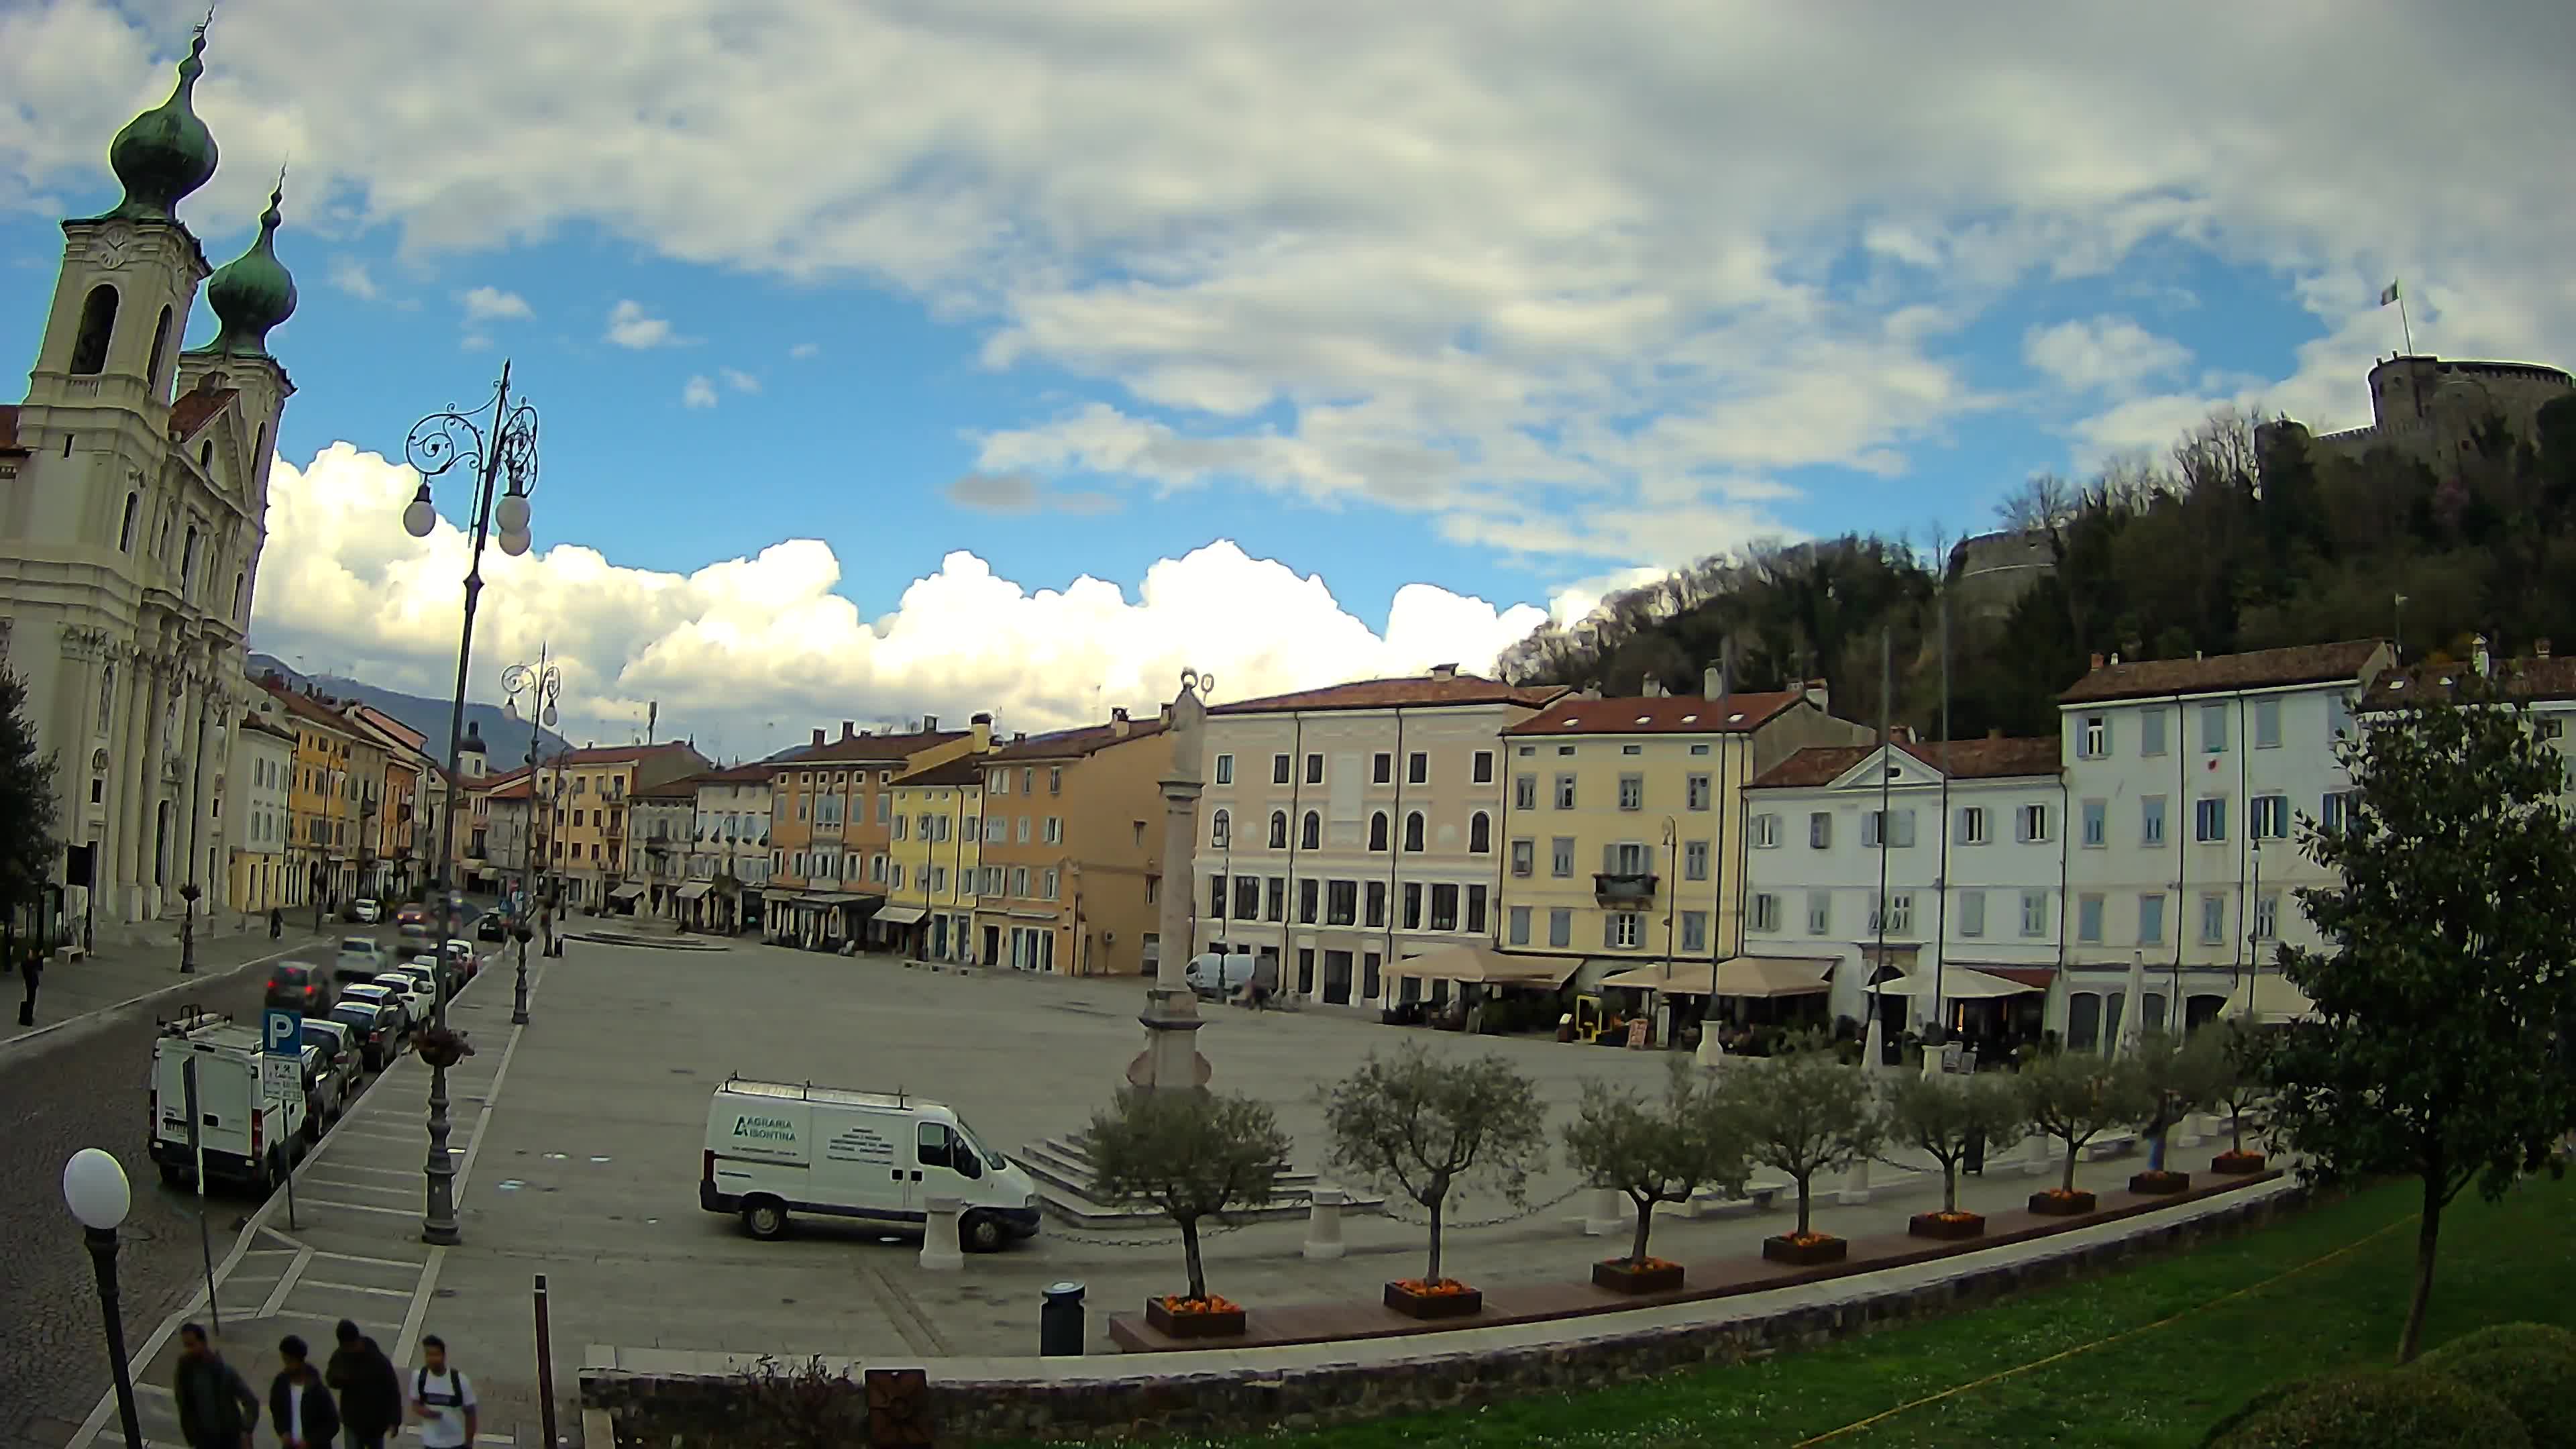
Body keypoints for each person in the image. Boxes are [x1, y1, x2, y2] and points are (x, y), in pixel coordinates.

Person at [172, 1323, 258, 1449]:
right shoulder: (184, 1373)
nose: (188, 1350)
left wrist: (245, 1431)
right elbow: (183, 1405)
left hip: (229, 1440)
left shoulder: (223, 1372)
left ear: (203, 1343)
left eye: (192, 1345)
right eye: (186, 1346)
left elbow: (251, 1402)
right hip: (203, 1441)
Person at [326, 1319, 402, 1449]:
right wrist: (341, 1378)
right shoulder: (341, 1355)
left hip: (375, 1422)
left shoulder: (378, 1360)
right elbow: (331, 1379)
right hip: (352, 1420)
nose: (348, 1350)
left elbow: (392, 1390)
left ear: (357, 1341)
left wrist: (395, 1420)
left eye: (350, 1347)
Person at [270, 1334, 341, 1449]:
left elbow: (333, 1425)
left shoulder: (318, 1390)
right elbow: (276, 1410)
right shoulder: (281, 1383)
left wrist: (310, 1441)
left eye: (289, 1361)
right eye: (284, 1360)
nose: (286, 1365)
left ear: (299, 1360)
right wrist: (283, 1432)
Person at [409, 1335, 478, 1449]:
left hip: (456, 1443)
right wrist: (427, 1413)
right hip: (431, 1443)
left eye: (436, 1355)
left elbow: (471, 1414)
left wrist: (469, 1442)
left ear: (444, 1356)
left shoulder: (460, 1380)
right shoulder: (419, 1377)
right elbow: (415, 1404)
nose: (432, 1359)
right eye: (428, 1355)